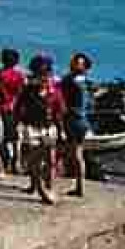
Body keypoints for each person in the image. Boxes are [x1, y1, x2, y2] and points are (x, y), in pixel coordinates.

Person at [16, 54, 65, 205]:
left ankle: (48, 187)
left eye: (46, 72)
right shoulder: (28, 89)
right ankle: (41, 190)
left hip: (49, 127)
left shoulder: (54, 90)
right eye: (41, 72)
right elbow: (19, 107)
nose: (44, 75)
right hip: (32, 127)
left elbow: (59, 110)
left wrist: (61, 129)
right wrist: (19, 123)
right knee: (36, 160)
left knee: (50, 159)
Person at [58, 52, 94, 198]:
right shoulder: (85, 81)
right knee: (77, 153)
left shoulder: (71, 80)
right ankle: (79, 185)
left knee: (72, 153)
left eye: (76, 62)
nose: (72, 64)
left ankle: (77, 186)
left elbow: (61, 97)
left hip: (73, 120)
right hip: (82, 120)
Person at [0, 48, 27, 174]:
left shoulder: (0, 74)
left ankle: (5, 161)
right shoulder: (20, 75)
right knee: (16, 138)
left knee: (1, 137)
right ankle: (16, 161)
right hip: (16, 108)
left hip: (2, 108)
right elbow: (23, 93)